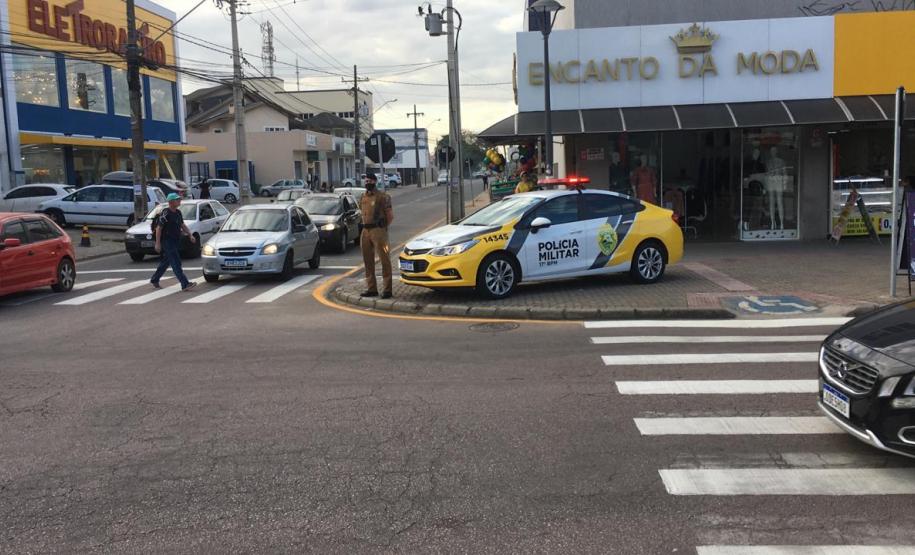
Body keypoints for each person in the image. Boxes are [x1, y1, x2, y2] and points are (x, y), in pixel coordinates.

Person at [151, 193, 197, 291]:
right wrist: (158, 243)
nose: (179, 201)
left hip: (175, 240)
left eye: (179, 199)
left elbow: (182, 225)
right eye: (177, 200)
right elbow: (159, 228)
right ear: (171, 202)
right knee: (176, 262)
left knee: (166, 261)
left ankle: (155, 279)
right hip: (167, 241)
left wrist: (190, 235)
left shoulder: (178, 212)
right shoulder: (166, 213)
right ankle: (185, 284)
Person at [359, 173, 394, 299]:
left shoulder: (383, 197)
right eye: (366, 180)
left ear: (374, 182)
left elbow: (390, 216)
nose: (367, 182)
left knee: (384, 259)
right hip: (365, 231)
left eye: (369, 180)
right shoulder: (363, 197)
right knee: (368, 261)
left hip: (378, 231)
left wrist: (383, 227)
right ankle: (371, 288)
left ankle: (387, 289)